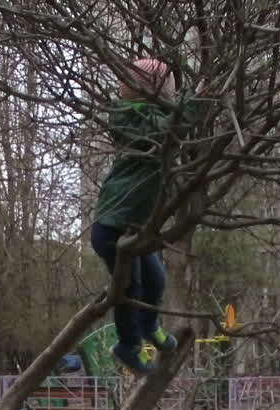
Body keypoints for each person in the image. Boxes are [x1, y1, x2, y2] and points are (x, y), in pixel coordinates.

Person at [90, 57, 193, 375]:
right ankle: (128, 345)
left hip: (136, 226)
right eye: (168, 92)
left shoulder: (158, 117)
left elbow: (172, 124)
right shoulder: (130, 120)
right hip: (112, 226)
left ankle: (150, 327)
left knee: (156, 279)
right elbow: (171, 127)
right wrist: (195, 103)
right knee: (130, 287)